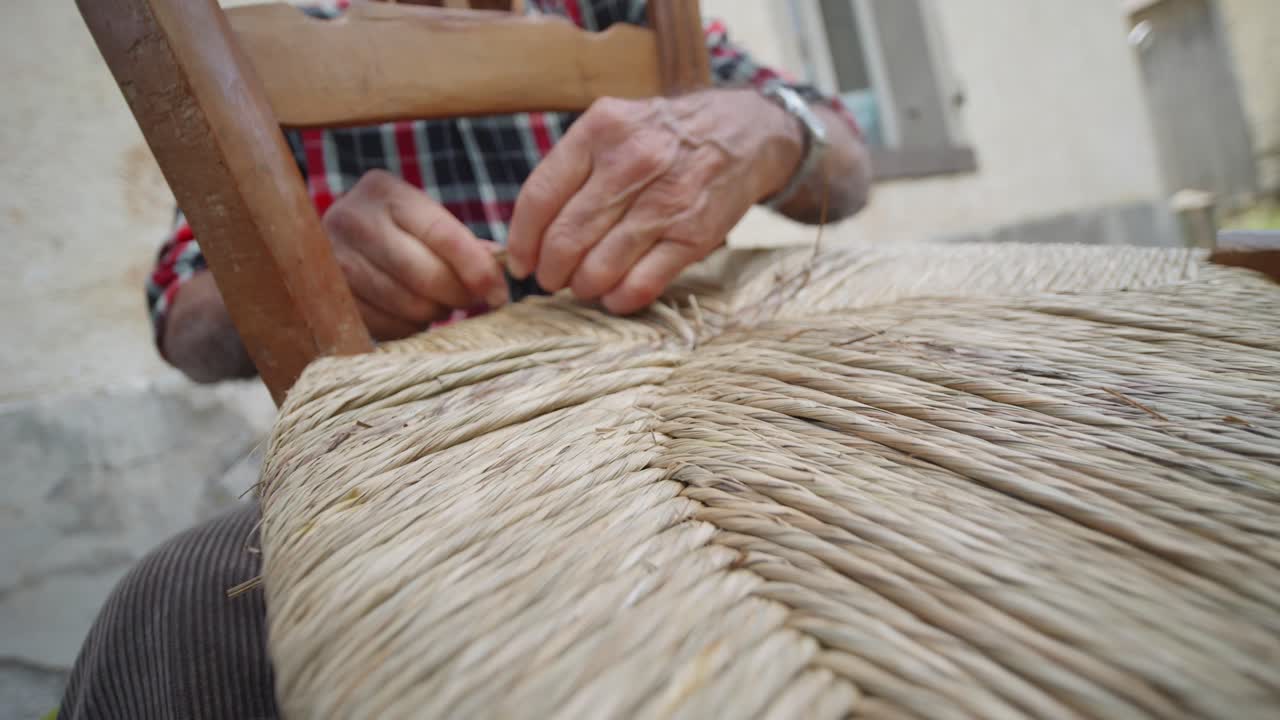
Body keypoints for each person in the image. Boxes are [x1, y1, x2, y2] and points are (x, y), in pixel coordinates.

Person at [59, 1, 871, 717]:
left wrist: (765, 128)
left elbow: (844, 152)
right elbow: (180, 313)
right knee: (177, 604)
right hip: (426, 452)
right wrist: (294, 266)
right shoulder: (270, 45)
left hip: (689, 385)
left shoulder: (618, 9)